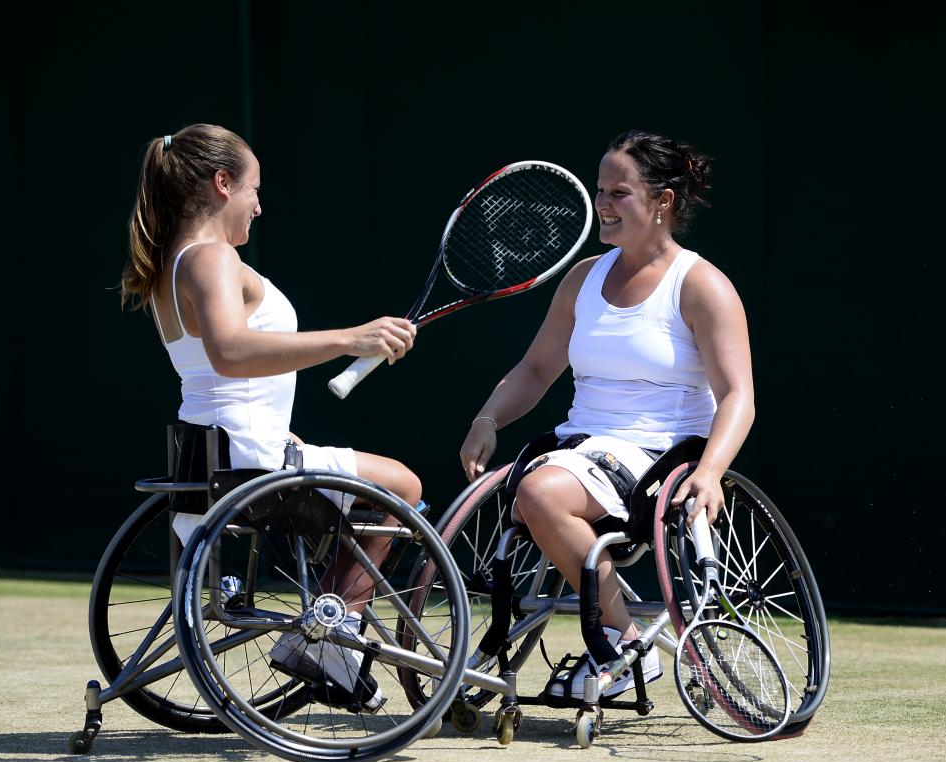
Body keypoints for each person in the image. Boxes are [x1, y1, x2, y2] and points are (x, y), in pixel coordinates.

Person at [120, 123, 420, 712]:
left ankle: (332, 632)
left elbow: (219, 375)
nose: (259, 205)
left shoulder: (171, 260)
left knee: (381, 485)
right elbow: (230, 353)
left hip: (216, 455)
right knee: (403, 486)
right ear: (223, 183)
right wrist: (349, 337)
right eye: (254, 189)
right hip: (248, 463)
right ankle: (334, 637)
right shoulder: (210, 257)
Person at [458, 129, 754, 700]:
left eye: (619, 193)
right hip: (582, 446)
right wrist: (487, 419)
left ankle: (621, 644)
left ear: (663, 201)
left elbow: (738, 394)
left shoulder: (702, 286)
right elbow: (536, 369)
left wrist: (712, 470)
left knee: (540, 493)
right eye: (600, 191)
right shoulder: (583, 278)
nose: (603, 205)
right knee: (536, 486)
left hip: (660, 455)